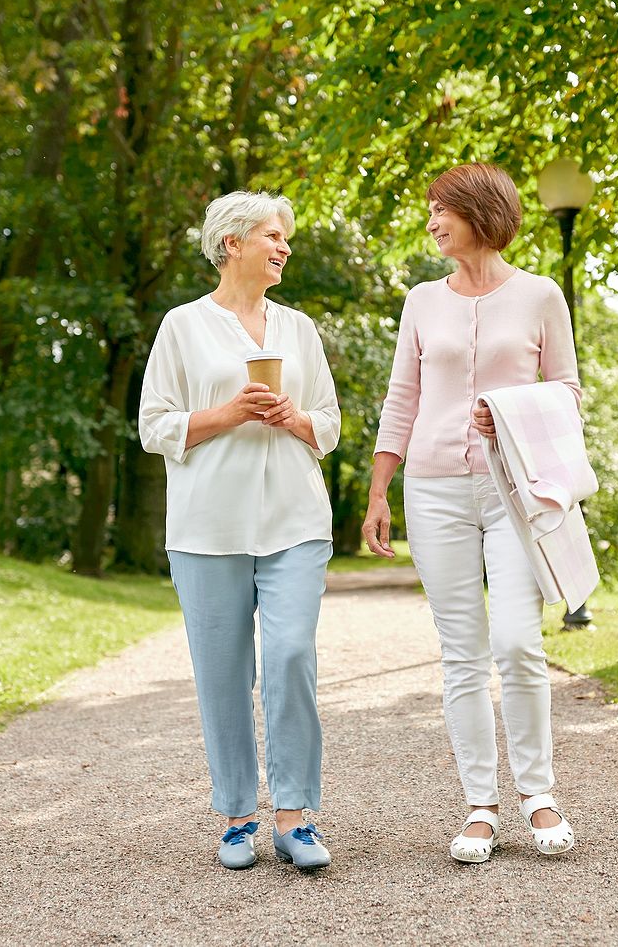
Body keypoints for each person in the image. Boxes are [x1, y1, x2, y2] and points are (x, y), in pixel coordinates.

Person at [363, 162, 581, 863]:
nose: (430, 222)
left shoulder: (541, 295)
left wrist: (511, 411)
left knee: (517, 641)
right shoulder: (422, 301)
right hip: (432, 489)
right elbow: (402, 396)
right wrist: (379, 490)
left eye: (441, 210)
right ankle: (480, 806)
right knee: (462, 654)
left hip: (514, 490)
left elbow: (569, 391)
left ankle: (538, 794)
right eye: (428, 209)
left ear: (482, 212)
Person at [138, 191, 340, 871]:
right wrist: (227, 413)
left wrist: (293, 417)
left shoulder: (300, 329)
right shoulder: (182, 326)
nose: (284, 248)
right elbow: (154, 423)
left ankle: (294, 817)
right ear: (233, 243)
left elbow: (330, 425)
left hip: (295, 520)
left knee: (289, 655)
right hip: (207, 527)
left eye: (286, 238)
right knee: (221, 674)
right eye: (273, 236)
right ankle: (236, 817)